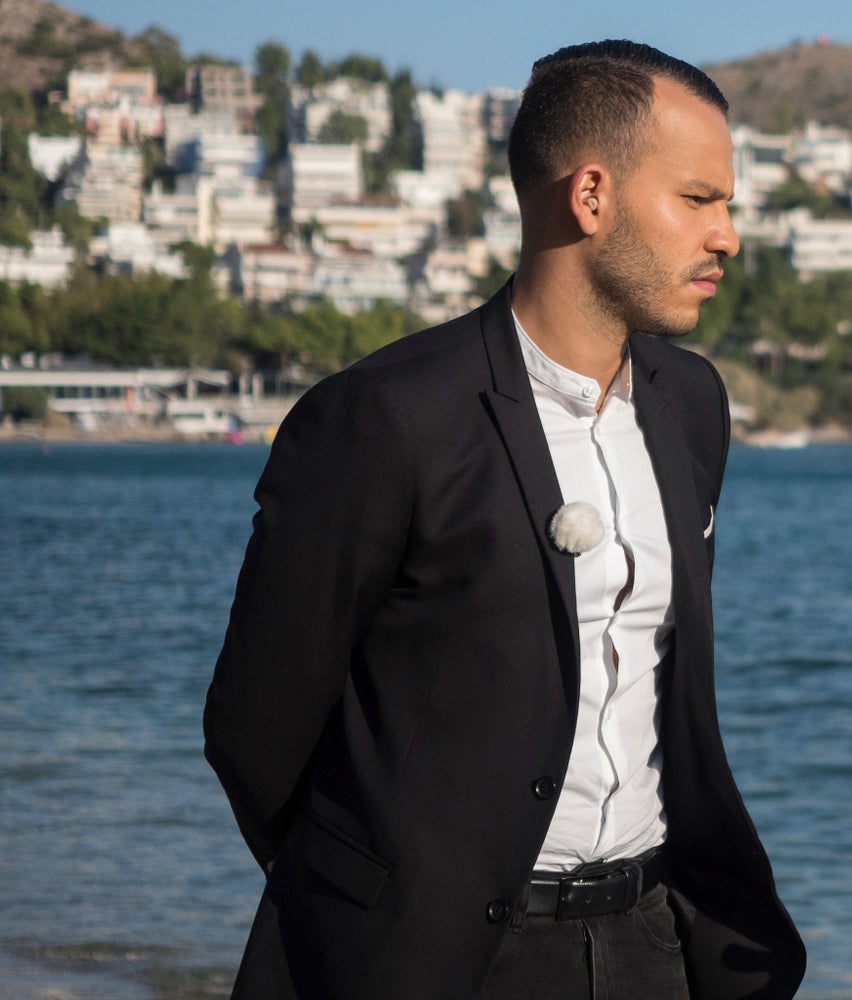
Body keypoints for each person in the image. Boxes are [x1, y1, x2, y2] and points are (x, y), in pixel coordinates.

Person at [204, 41, 804, 1000]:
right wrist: (374, 904)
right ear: (592, 195)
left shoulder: (692, 404)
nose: (727, 235)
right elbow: (255, 725)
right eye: (700, 199)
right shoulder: (387, 417)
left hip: (654, 944)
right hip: (437, 963)